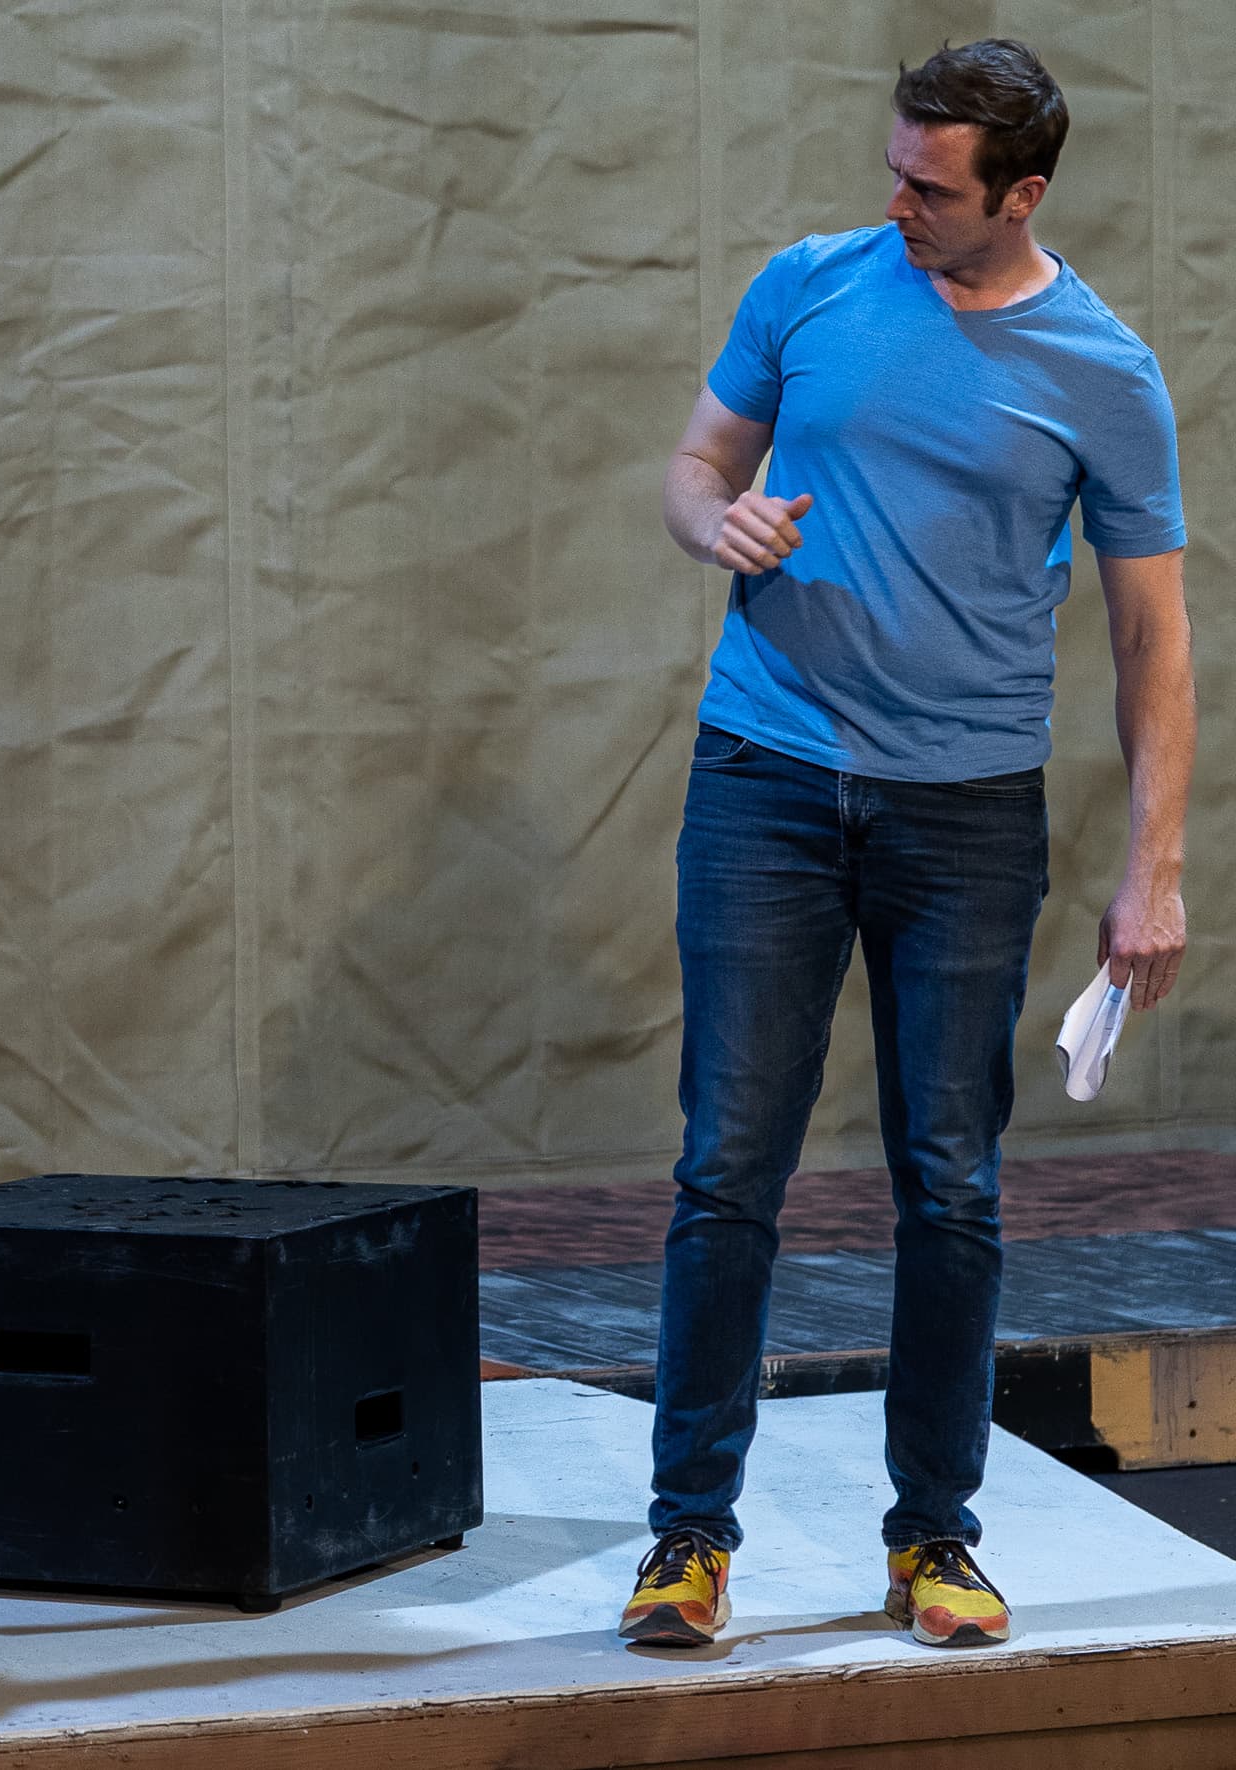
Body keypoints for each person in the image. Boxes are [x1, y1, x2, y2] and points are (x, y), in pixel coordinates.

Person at [620, 40, 1192, 1650]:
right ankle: (686, 1540)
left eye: (933, 186)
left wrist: (1152, 870)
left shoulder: (1104, 369)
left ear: (1023, 194)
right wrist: (708, 519)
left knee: (951, 1181)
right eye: (895, 168)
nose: (899, 202)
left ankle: (934, 1536)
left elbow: (1155, 638)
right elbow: (692, 462)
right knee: (728, 1164)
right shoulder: (811, 286)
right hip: (769, 780)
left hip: (966, 815)